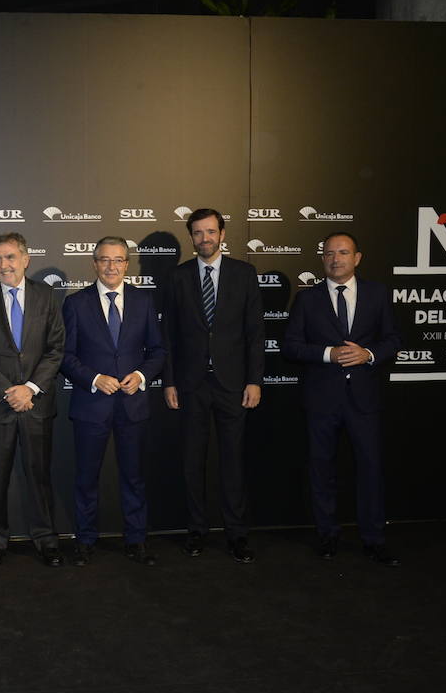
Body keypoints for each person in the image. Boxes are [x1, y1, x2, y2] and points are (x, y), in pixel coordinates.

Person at [283, 232, 402, 566]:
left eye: (343, 252)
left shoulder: (378, 294)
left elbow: (393, 339)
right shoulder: (307, 299)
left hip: (364, 399)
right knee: (322, 470)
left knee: (370, 470)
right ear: (322, 259)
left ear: (357, 258)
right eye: (329, 254)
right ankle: (327, 535)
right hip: (322, 400)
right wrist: (327, 354)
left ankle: (374, 539)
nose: (336, 259)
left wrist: (368, 354)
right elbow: (290, 346)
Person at [161, 208, 265, 563]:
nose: (204, 239)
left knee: (233, 461)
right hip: (191, 385)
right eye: (197, 233)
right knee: (192, 461)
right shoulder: (177, 277)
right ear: (191, 237)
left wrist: (254, 380)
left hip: (233, 384)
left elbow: (255, 334)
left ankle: (237, 534)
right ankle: (196, 531)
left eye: (210, 232)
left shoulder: (244, 274)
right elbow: (169, 336)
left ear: (222, 234)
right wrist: (170, 381)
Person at [60, 236, 165, 566]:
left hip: (132, 406)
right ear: (94, 263)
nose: (111, 266)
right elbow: (64, 355)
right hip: (91, 405)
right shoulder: (76, 304)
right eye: (104, 260)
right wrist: (93, 378)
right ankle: (86, 540)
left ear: (127, 264)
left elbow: (158, 351)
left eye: (118, 260)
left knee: (133, 476)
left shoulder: (143, 302)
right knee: (86, 477)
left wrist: (141, 376)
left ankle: (136, 540)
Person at [0, 231, 66, 567]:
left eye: (10, 257)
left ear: (25, 259)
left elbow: (55, 349)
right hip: (0, 405)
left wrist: (31, 389)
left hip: (37, 404)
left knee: (39, 475)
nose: (3, 265)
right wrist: (9, 392)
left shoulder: (47, 297)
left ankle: (46, 539)